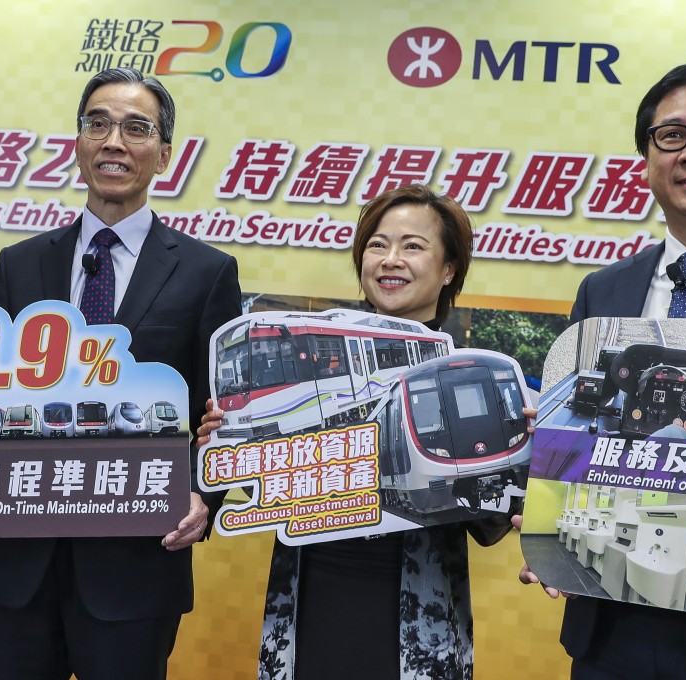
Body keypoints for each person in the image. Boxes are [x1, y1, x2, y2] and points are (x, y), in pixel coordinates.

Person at [0, 67, 241, 680]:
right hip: (17, 558)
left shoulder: (206, 272)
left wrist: (204, 495)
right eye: (98, 124)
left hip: (135, 560)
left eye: (136, 129)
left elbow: (225, 413)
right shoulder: (21, 263)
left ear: (164, 154)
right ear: (78, 144)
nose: (114, 141)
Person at [200, 184, 531, 680]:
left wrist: (523, 466)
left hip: (418, 613)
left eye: (413, 246)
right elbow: (266, 488)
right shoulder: (315, 361)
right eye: (377, 245)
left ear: (448, 270)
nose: (390, 259)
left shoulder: (479, 370)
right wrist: (226, 443)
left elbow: (489, 526)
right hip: (311, 592)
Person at [519, 62, 686, 679]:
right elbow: (576, 431)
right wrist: (549, 518)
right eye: (671, 136)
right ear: (646, 157)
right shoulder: (604, 292)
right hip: (612, 618)